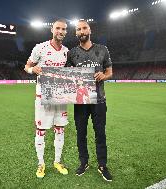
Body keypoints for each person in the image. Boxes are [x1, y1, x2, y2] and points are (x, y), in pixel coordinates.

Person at [66, 20, 113, 181]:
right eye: (78, 29)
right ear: (76, 33)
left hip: (99, 100)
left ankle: (102, 165)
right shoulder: (72, 53)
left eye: (84, 28)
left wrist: (103, 75)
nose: (81, 31)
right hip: (80, 101)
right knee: (81, 134)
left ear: (90, 30)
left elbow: (109, 72)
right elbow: (66, 75)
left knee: (100, 134)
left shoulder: (102, 49)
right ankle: (84, 162)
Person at [24, 19, 69, 178]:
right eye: (58, 28)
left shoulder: (66, 51)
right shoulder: (40, 47)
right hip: (43, 95)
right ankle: (41, 163)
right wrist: (32, 70)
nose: (60, 31)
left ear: (66, 32)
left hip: (60, 96)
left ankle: (57, 161)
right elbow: (27, 66)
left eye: (63, 29)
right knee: (41, 130)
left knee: (60, 129)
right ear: (52, 29)